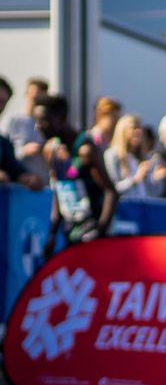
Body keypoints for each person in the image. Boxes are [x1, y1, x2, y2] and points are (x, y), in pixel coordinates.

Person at [36, 94, 118, 260]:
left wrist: (99, 232)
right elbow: (59, 192)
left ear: (61, 118)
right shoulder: (52, 151)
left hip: (92, 232)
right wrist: (52, 234)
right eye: (36, 120)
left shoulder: (85, 150)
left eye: (44, 120)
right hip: (71, 232)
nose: (38, 126)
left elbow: (111, 193)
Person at [0, 76, 43, 191]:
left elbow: (14, 168)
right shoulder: (13, 121)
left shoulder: (3, 144)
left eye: (3, 102)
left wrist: (28, 178)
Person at [104, 113, 157, 198]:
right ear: (122, 131)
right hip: (124, 208)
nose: (138, 132)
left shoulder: (142, 157)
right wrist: (135, 179)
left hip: (144, 207)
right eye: (134, 128)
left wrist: (158, 178)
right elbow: (112, 189)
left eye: (140, 128)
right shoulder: (112, 155)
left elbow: (153, 192)